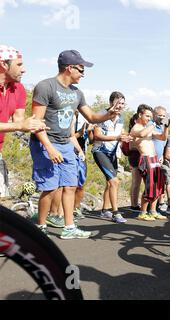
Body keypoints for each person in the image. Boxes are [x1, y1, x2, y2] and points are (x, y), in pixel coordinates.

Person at [31, 49, 122, 239]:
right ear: (69, 68)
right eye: (81, 70)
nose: (83, 74)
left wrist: (109, 114)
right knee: (49, 187)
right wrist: (49, 147)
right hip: (46, 142)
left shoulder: (77, 93)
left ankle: (69, 227)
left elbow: (91, 116)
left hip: (66, 143)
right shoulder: (45, 86)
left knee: (70, 186)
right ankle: (40, 227)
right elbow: (36, 123)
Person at [0, 45, 47, 196]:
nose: (24, 69)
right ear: (3, 65)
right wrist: (20, 125)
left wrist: (33, 124)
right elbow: (18, 124)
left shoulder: (18, 88)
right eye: (19, 65)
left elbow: (19, 120)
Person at [92, 91, 131, 223]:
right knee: (114, 182)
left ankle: (104, 211)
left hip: (112, 153)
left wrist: (127, 136)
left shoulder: (121, 117)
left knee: (110, 183)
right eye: (118, 103)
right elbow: (97, 136)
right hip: (100, 151)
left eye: (122, 104)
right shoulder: (101, 115)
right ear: (110, 103)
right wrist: (116, 137)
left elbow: (121, 132)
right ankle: (115, 213)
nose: (120, 106)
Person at [130, 104, 169, 221]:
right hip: (145, 159)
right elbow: (141, 134)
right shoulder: (136, 128)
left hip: (155, 159)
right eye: (147, 116)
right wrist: (153, 123)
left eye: (150, 116)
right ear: (139, 115)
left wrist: (166, 127)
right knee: (149, 185)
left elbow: (162, 137)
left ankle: (153, 211)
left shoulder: (148, 127)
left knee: (158, 185)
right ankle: (142, 212)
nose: (149, 118)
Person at [152, 106, 170, 216]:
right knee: (162, 182)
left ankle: (159, 205)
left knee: (159, 183)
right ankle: (168, 205)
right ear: (154, 115)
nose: (162, 118)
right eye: (160, 115)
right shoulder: (151, 125)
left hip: (160, 158)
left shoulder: (162, 127)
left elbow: (163, 142)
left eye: (164, 116)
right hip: (151, 158)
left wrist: (163, 155)